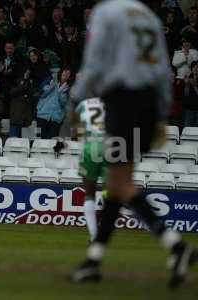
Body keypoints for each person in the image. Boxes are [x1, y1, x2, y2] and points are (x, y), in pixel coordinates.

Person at [71, 0, 197, 289]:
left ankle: (177, 246)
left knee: (121, 183)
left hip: (123, 100)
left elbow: (95, 59)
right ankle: (93, 260)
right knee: (118, 182)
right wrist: (162, 112)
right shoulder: (148, 16)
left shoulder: (107, 11)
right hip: (149, 103)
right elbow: (164, 67)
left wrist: (78, 97)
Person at [74, 97, 106, 243]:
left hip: (91, 147)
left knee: (89, 193)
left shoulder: (83, 104)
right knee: (108, 191)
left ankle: (94, 236)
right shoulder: (112, 101)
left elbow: (76, 131)